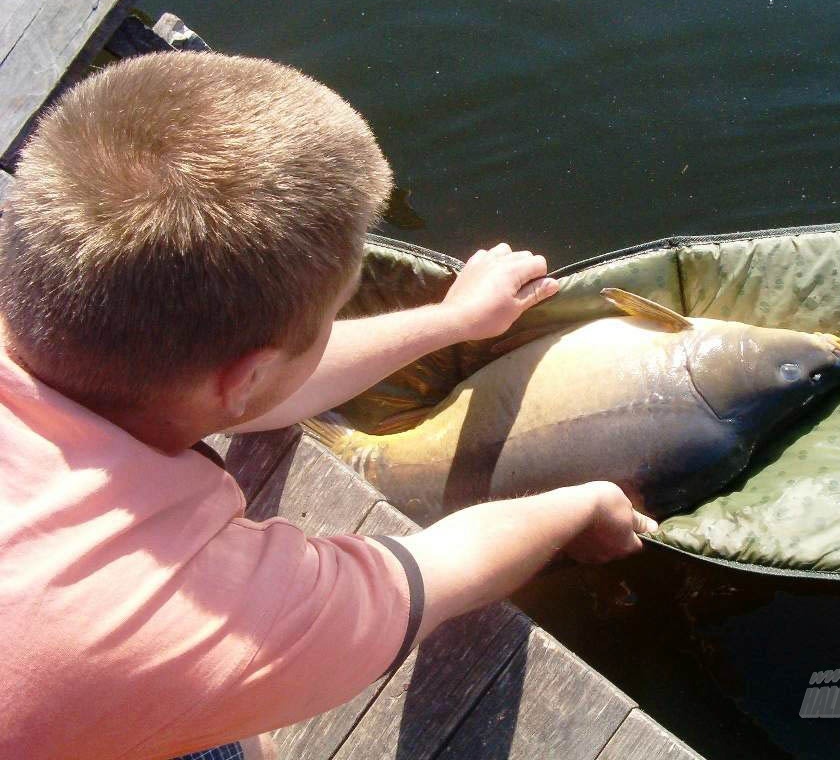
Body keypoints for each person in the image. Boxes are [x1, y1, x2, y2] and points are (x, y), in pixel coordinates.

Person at [0, 52, 657, 760]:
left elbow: (242, 392)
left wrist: (453, 320)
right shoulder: (190, 615)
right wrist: (580, 506)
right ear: (244, 376)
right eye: (325, 322)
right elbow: (434, 572)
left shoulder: (65, 344)